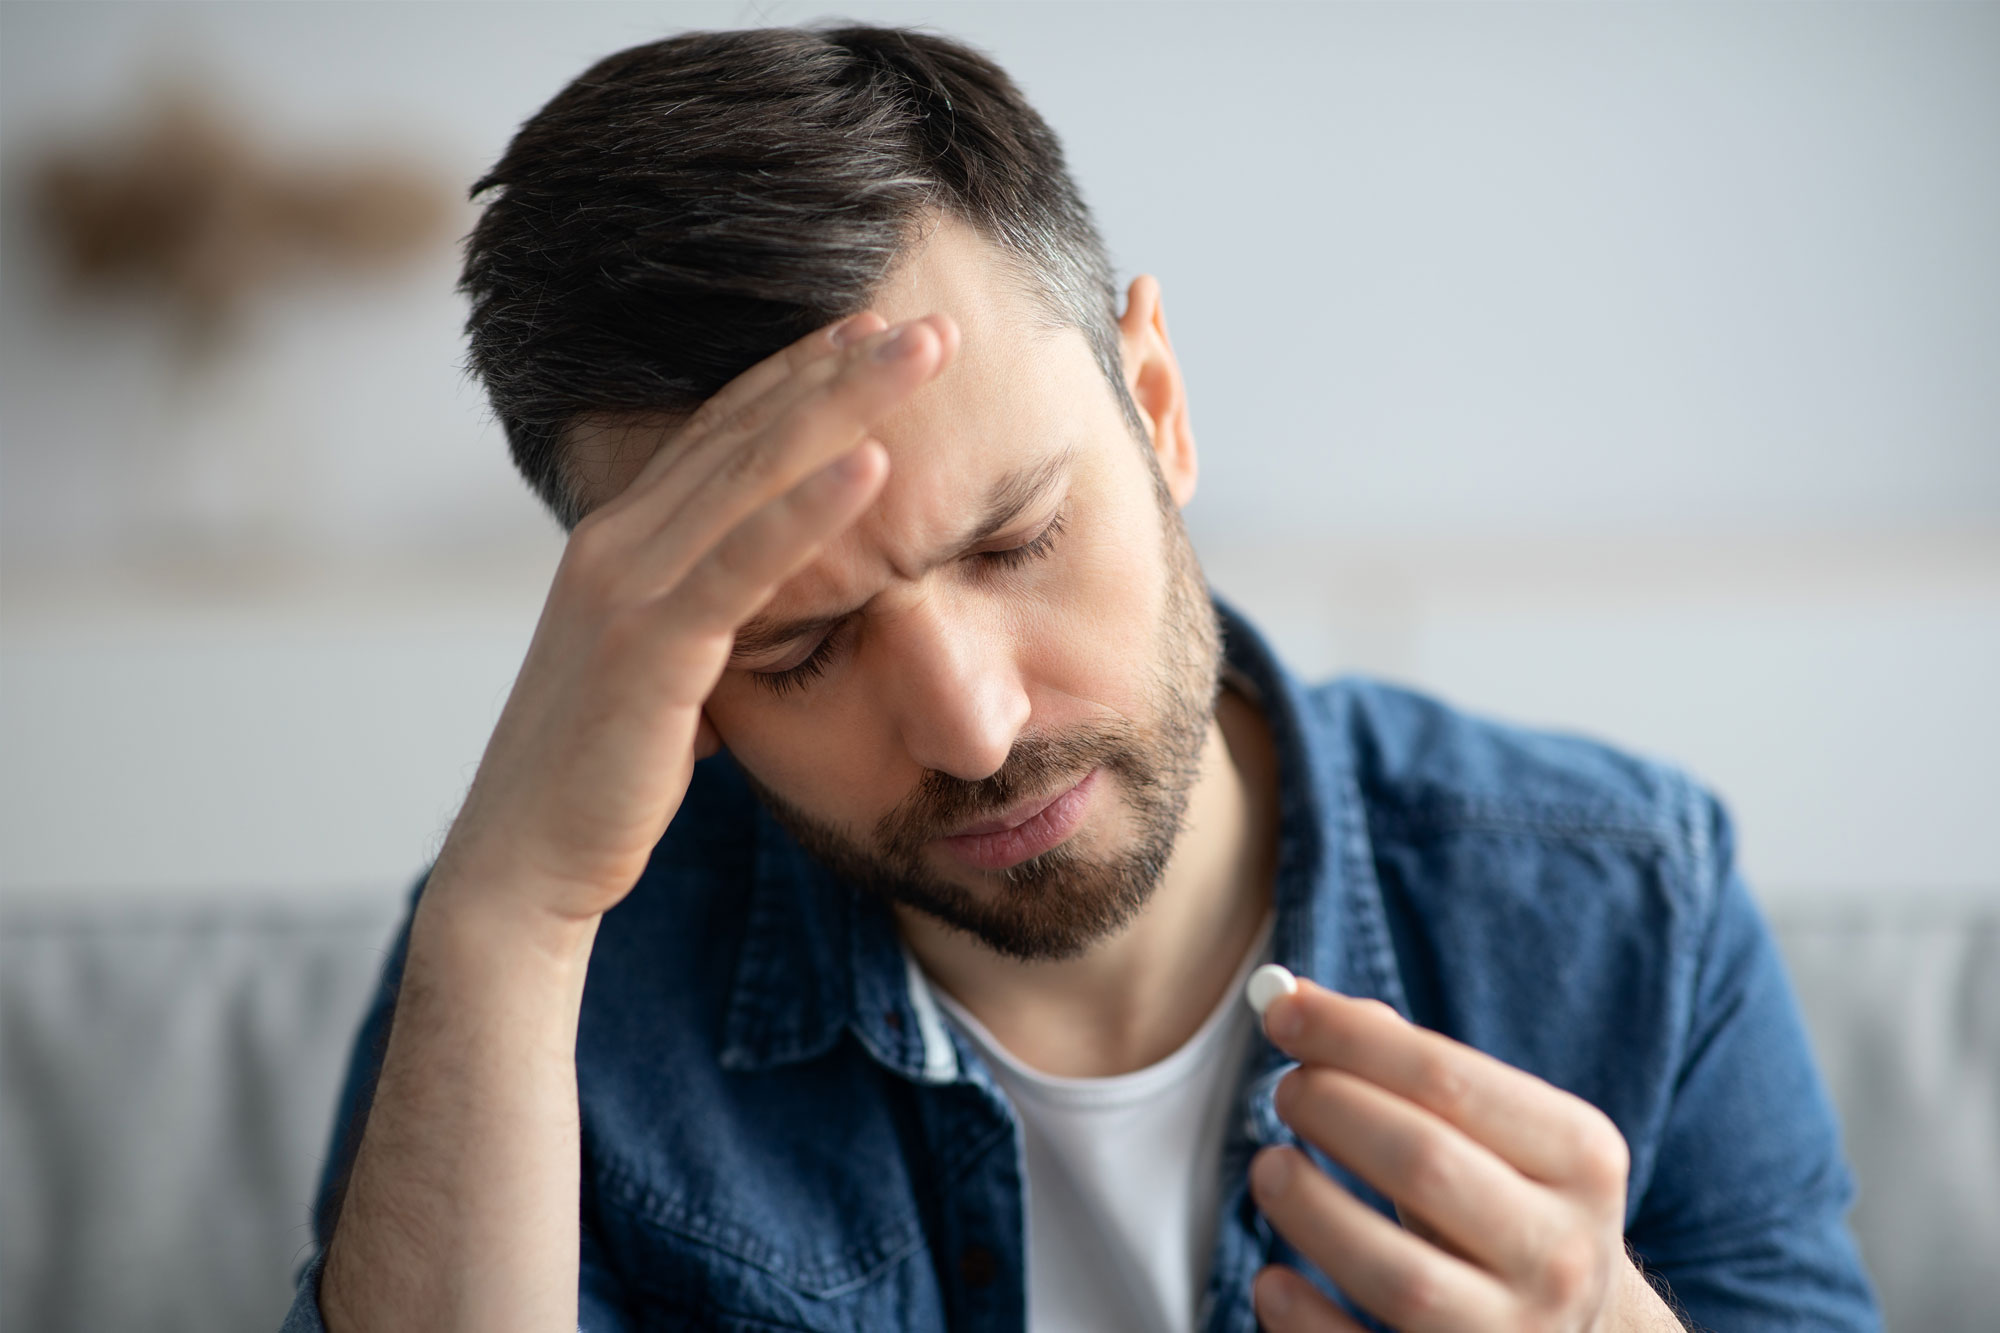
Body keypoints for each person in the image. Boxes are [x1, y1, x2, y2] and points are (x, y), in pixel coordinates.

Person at [284, 23, 1878, 1333]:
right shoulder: (539, 982)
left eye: (1017, 538)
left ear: (1161, 408)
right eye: (795, 648)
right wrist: (502, 923)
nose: (971, 726)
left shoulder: (1631, 912)